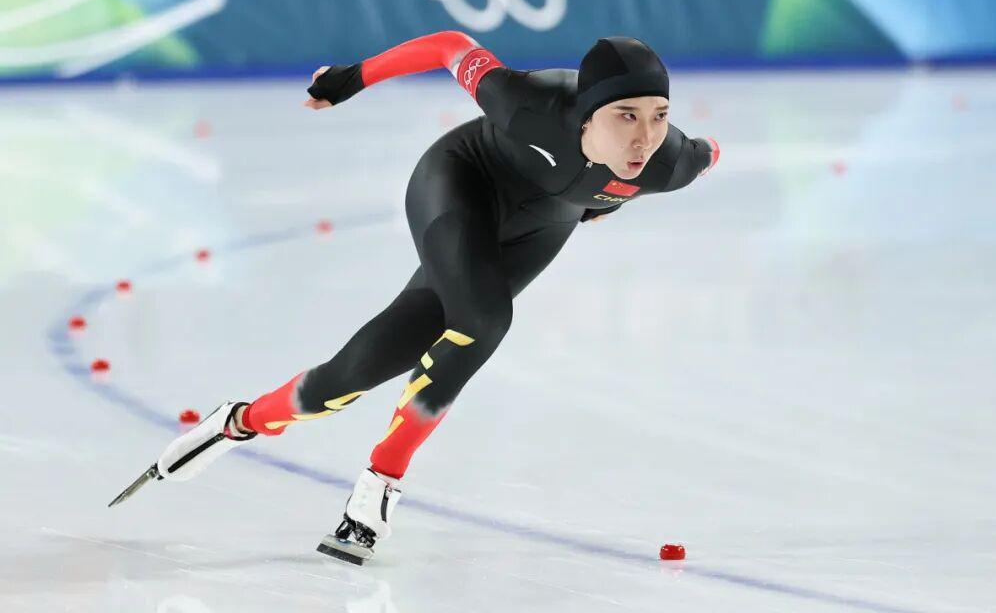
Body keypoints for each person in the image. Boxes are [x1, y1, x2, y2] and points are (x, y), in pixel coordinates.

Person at [117, 30, 719, 565]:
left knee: (348, 377)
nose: (645, 137)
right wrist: (352, 78)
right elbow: (448, 45)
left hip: (541, 226)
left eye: (659, 115)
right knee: (484, 319)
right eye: (626, 115)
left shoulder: (670, 163)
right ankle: (380, 483)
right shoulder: (527, 102)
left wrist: (605, 200)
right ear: (585, 113)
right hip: (460, 182)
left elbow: (709, 152)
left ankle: (237, 422)